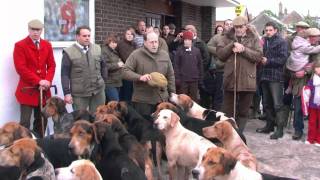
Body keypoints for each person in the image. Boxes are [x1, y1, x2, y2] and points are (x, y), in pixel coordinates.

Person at [216, 16, 263, 133]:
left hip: (247, 80)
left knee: (243, 111)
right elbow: (220, 55)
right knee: (228, 111)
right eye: (236, 27)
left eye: (241, 27)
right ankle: (227, 133)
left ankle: (238, 134)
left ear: (246, 27)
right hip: (230, 80)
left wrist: (244, 50)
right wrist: (231, 45)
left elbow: (258, 56)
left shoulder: (254, 38)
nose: (238, 29)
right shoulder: (226, 37)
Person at [13, 19, 56, 137]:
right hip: (27, 89)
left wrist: (48, 80)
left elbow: (52, 65)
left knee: (42, 120)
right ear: (28, 29)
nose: (35, 32)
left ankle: (39, 144)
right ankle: (22, 145)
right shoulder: (20, 45)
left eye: (38, 30)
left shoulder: (47, 45)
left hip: (44, 90)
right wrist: (38, 81)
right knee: (25, 122)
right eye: (33, 30)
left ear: (41, 30)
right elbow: (20, 68)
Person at [122, 31, 175, 119]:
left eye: (156, 42)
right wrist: (139, 77)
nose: (154, 44)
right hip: (143, 101)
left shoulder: (164, 55)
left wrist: (172, 93)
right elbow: (124, 71)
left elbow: (170, 75)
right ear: (145, 42)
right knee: (145, 128)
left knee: (161, 129)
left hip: (162, 99)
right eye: (151, 42)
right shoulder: (136, 55)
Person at [61, 25, 107, 113]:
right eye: (84, 36)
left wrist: (103, 81)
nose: (87, 38)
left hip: (98, 91)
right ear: (77, 37)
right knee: (81, 121)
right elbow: (64, 74)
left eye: (89, 36)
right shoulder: (69, 52)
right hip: (79, 94)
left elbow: (104, 66)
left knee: (99, 118)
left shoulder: (97, 48)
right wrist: (66, 93)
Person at [255, 22, 289, 139]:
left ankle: (279, 130)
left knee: (277, 105)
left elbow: (283, 59)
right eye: (266, 30)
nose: (268, 32)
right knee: (267, 104)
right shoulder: (264, 41)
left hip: (276, 77)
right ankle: (269, 126)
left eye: (270, 30)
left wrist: (268, 61)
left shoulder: (281, 42)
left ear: (275, 30)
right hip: (264, 76)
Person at [287, 27, 320, 140]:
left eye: (317, 37)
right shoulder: (301, 48)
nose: (317, 39)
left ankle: (315, 132)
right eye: (315, 37)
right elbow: (291, 64)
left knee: (316, 109)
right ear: (309, 38)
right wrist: (296, 72)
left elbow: (316, 65)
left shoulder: (316, 50)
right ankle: (298, 130)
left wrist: (306, 70)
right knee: (298, 107)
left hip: (315, 83)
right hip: (300, 83)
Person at [206, 19, 233, 110]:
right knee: (219, 93)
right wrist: (219, 52)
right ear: (224, 25)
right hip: (221, 69)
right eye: (227, 24)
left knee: (231, 93)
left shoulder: (236, 37)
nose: (229, 26)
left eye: (230, 24)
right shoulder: (217, 37)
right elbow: (208, 46)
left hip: (233, 69)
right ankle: (217, 113)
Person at [185, 24, 210, 108]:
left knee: (201, 94)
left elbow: (206, 59)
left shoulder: (201, 44)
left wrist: (199, 70)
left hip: (198, 74)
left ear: (194, 32)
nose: (185, 32)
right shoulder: (184, 43)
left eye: (188, 31)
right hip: (187, 75)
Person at [174, 31, 202, 101]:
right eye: (185, 40)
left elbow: (200, 65)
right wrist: (177, 78)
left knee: (194, 100)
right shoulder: (179, 51)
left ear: (191, 41)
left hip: (194, 80)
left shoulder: (196, 51)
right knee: (183, 100)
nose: (187, 41)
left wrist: (200, 78)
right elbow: (176, 65)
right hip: (183, 80)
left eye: (189, 40)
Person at [101, 34, 123, 102]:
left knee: (110, 103)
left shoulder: (114, 51)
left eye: (116, 43)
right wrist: (117, 65)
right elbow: (104, 66)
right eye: (113, 42)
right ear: (108, 42)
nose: (114, 44)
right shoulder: (104, 51)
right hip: (109, 82)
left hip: (117, 81)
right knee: (115, 103)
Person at [117, 27, 136, 102]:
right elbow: (124, 57)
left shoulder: (134, 44)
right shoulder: (121, 44)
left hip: (133, 71)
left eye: (131, 34)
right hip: (124, 71)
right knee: (126, 93)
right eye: (128, 34)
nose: (129, 35)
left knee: (131, 92)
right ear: (125, 35)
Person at [304, 61, 320, 146]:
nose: (318, 70)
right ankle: (310, 138)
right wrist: (306, 90)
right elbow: (308, 88)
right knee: (312, 122)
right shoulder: (312, 79)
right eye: (316, 68)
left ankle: (318, 139)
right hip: (313, 105)